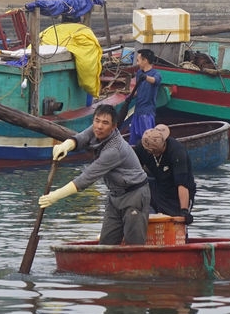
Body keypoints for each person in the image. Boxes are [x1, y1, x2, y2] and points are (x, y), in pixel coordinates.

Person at [39, 104, 151, 245]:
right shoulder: (96, 130)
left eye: (105, 123)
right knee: (106, 243)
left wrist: (56, 196)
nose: (99, 126)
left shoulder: (114, 150)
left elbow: (87, 178)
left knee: (134, 244)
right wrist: (65, 146)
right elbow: (80, 138)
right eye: (96, 121)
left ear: (113, 127)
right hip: (115, 195)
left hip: (135, 194)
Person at [132, 125, 195, 225]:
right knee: (137, 185)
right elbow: (132, 173)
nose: (156, 155)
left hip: (177, 192)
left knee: (177, 223)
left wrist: (184, 210)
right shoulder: (141, 147)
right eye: (152, 152)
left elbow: (182, 184)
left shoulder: (177, 152)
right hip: (157, 185)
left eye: (158, 152)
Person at [126, 49, 162, 145]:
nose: (137, 63)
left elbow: (156, 81)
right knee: (133, 143)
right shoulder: (139, 73)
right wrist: (131, 96)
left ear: (145, 61)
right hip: (137, 113)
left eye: (138, 60)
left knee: (148, 142)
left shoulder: (155, 74)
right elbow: (139, 90)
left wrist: (145, 77)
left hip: (146, 113)